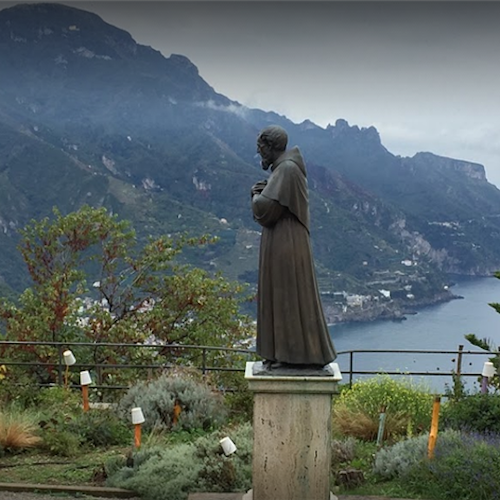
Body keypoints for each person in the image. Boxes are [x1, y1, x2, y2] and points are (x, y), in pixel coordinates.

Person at [251, 125, 337, 367]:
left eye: (261, 149)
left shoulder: (287, 170)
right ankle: (282, 353)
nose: (259, 154)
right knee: (282, 294)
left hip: (285, 243)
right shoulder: (284, 170)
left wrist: (255, 196)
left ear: (270, 147)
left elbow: (266, 209)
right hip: (283, 240)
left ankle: (292, 356)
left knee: (287, 295)